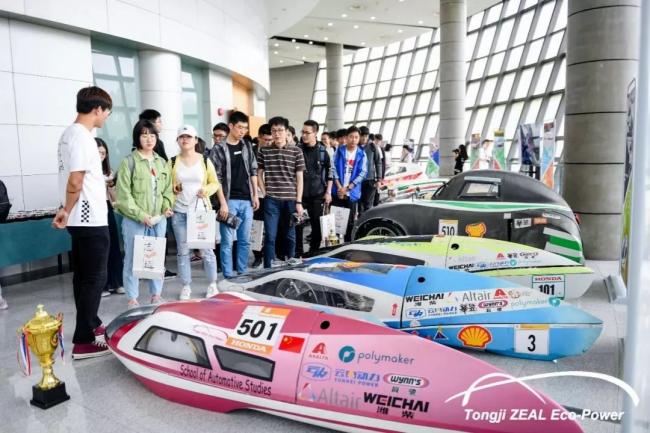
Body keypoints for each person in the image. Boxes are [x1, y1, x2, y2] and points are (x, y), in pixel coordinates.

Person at [53, 86, 113, 359]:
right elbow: (75, 180)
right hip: (89, 219)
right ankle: (84, 340)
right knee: (95, 277)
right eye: (107, 111)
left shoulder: (69, 134)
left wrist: (66, 209)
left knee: (83, 276)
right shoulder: (82, 136)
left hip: (81, 218)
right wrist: (66, 209)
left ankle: (90, 322)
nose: (107, 116)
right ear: (97, 109)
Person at [115, 120, 173, 310]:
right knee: (133, 258)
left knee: (156, 257)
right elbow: (123, 196)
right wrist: (141, 215)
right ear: (137, 138)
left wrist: (166, 207)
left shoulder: (161, 162)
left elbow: (167, 190)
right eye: (144, 135)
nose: (149, 139)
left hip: (158, 219)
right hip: (135, 220)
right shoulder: (129, 162)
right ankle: (132, 299)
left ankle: (156, 295)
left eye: (152, 135)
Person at [169, 125, 220, 300]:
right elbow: (166, 185)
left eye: (189, 136)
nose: (185, 139)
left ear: (196, 140)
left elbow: (215, 182)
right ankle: (186, 285)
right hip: (180, 211)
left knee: (207, 250)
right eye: (182, 136)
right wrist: (172, 189)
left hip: (200, 211)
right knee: (183, 251)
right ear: (178, 140)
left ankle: (212, 283)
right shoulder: (172, 162)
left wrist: (206, 190)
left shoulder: (204, 160)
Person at [210, 111, 260, 277]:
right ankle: (228, 276)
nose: (242, 131)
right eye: (239, 127)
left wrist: (255, 194)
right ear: (230, 126)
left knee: (244, 241)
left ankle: (242, 273)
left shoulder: (246, 146)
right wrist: (223, 203)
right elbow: (216, 178)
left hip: (247, 200)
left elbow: (253, 170)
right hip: (229, 201)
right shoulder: (219, 148)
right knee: (227, 242)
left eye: (245, 128)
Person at [258, 117, 305, 268]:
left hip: (290, 200)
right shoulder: (264, 151)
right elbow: (259, 174)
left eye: (280, 130)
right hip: (271, 200)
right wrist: (264, 192)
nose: (277, 134)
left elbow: (300, 177)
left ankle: (290, 265)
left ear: (286, 131)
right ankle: (268, 268)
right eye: (274, 131)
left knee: (290, 235)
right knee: (270, 236)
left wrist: (299, 201)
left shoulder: (296, 151)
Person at [139, 109, 177, 280]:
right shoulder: (155, 146)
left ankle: (151, 268)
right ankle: (156, 268)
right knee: (155, 238)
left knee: (153, 237)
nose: (161, 124)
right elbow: (165, 168)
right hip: (152, 202)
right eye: (159, 121)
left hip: (157, 201)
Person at [296, 120, 333, 255]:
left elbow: (330, 173)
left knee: (317, 227)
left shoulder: (323, 151)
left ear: (315, 133)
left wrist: (328, 192)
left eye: (307, 132)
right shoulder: (298, 149)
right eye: (303, 132)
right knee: (298, 226)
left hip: (318, 195)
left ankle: (313, 252)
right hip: (300, 197)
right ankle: (298, 252)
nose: (304, 135)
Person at [96, 138, 124, 297]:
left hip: (107, 207)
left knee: (113, 244)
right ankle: (103, 284)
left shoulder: (108, 172)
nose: (101, 156)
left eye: (104, 153)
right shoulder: (86, 171)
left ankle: (117, 282)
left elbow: (114, 197)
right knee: (100, 247)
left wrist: (111, 186)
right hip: (93, 209)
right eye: (98, 152)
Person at [332, 126, 367, 242]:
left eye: (356, 137)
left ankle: (348, 245)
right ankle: (334, 246)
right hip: (337, 191)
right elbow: (333, 168)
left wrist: (347, 188)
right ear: (346, 137)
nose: (354, 140)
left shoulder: (362, 154)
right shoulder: (339, 151)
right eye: (351, 137)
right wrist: (339, 187)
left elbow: (363, 173)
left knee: (350, 222)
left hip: (352, 192)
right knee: (336, 221)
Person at [251, 124, 272, 269]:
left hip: (271, 195)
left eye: (271, 140)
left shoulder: (274, 151)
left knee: (270, 228)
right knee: (256, 227)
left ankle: (269, 255)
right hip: (255, 196)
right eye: (266, 140)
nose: (269, 143)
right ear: (259, 138)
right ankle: (258, 256)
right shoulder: (251, 152)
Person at [358, 126, 382, 213]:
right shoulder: (355, 146)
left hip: (370, 179)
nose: (364, 138)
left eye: (366, 136)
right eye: (362, 136)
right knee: (358, 202)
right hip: (357, 180)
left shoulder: (373, 146)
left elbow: (378, 163)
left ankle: (367, 219)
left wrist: (378, 179)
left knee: (368, 203)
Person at [374, 133, 386, 207]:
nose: (378, 142)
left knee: (378, 189)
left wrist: (382, 175)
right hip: (373, 173)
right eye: (377, 140)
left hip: (378, 173)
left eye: (379, 141)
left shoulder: (381, 150)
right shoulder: (372, 148)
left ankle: (376, 203)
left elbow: (382, 163)